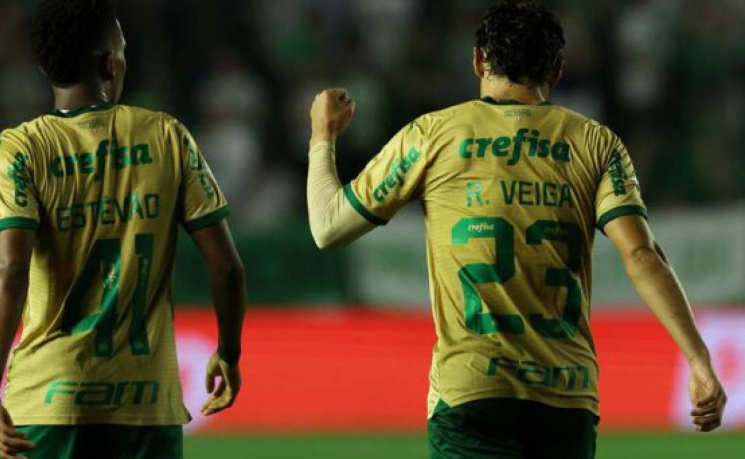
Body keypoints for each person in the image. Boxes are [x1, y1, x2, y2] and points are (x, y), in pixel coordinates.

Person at [305, 2, 726, 458]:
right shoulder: (596, 143)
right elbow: (643, 256)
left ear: (478, 61)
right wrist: (699, 359)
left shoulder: (433, 135)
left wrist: (322, 137)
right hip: (566, 399)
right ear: (558, 70)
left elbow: (328, 226)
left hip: (472, 392)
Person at [0, 1, 246, 457]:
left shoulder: (20, 149)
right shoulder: (166, 135)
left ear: (45, 67)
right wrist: (229, 351)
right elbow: (226, 268)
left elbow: (9, 269)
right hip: (146, 408)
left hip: (45, 403)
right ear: (111, 62)